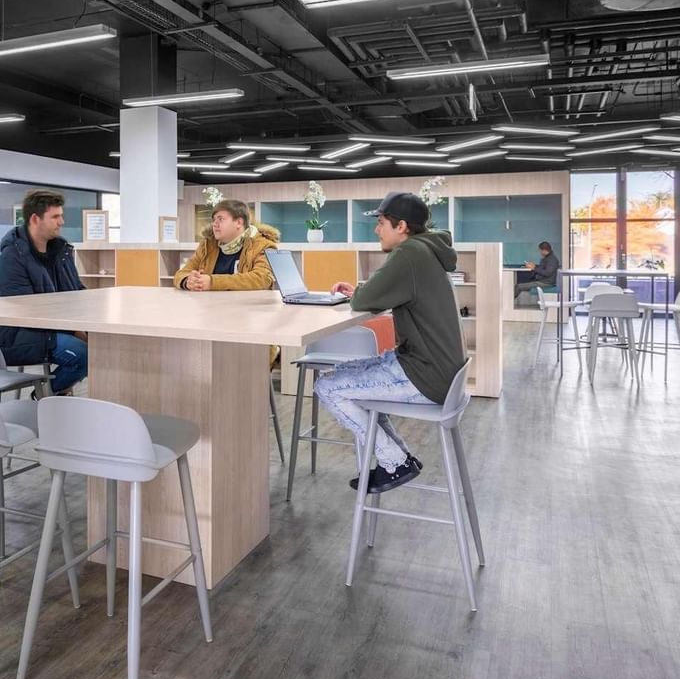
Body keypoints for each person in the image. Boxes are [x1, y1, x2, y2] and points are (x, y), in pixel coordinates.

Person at [314, 192, 465, 494]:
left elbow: (365, 301)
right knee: (349, 379)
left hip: (426, 375)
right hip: (439, 371)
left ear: (402, 226)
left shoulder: (409, 252)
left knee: (327, 386)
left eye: (381, 223)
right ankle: (399, 456)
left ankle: (395, 461)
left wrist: (360, 293)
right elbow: (377, 294)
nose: (376, 230)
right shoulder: (425, 250)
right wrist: (360, 291)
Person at [0, 188, 88, 394]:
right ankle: (45, 396)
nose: (61, 222)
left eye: (61, 216)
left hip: (55, 328)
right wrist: (74, 330)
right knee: (83, 355)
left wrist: (86, 322)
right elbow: (24, 309)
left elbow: (77, 292)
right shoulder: (12, 258)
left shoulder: (61, 252)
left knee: (105, 347)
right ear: (35, 219)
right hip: (20, 335)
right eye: (55, 217)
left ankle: (57, 396)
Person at [172, 199, 280, 291]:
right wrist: (188, 281)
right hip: (210, 305)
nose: (215, 224)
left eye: (221, 219)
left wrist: (212, 282)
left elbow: (262, 279)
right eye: (214, 219)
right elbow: (181, 273)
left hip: (247, 307)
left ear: (239, 223)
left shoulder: (263, 245)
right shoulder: (207, 245)